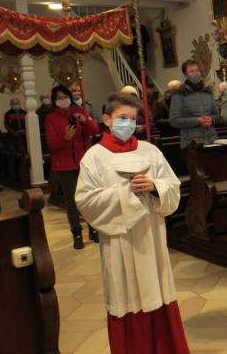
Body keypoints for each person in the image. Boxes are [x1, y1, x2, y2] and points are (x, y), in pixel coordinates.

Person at [75, 92, 190, 354]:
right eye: (121, 118)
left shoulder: (150, 150)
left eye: (133, 119)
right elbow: (86, 201)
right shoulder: (94, 157)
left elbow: (173, 186)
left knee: (158, 290)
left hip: (151, 237)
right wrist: (127, 193)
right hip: (120, 242)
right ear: (106, 119)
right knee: (128, 296)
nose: (128, 123)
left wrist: (154, 186)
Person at [45, 85, 100, 249]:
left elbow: (94, 130)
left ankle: (93, 229)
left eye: (65, 97)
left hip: (85, 162)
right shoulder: (51, 119)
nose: (63, 100)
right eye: (59, 98)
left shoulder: (80, 111)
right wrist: (65, 138)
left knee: (90, 197)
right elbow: (52, 144)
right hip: (65, 165)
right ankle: (76, 233)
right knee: (72, 200)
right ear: (55, 101)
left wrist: (85, 121)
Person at [169, 58, 219, 152]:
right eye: (191, 71)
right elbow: (174, 120)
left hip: (212, 141)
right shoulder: (179, 94)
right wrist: (197, 120)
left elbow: (218, 115)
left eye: (197, 70)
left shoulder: (207, 92)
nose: (195, 73)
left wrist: (212, 119)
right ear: (185, 74)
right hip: (191, 143)